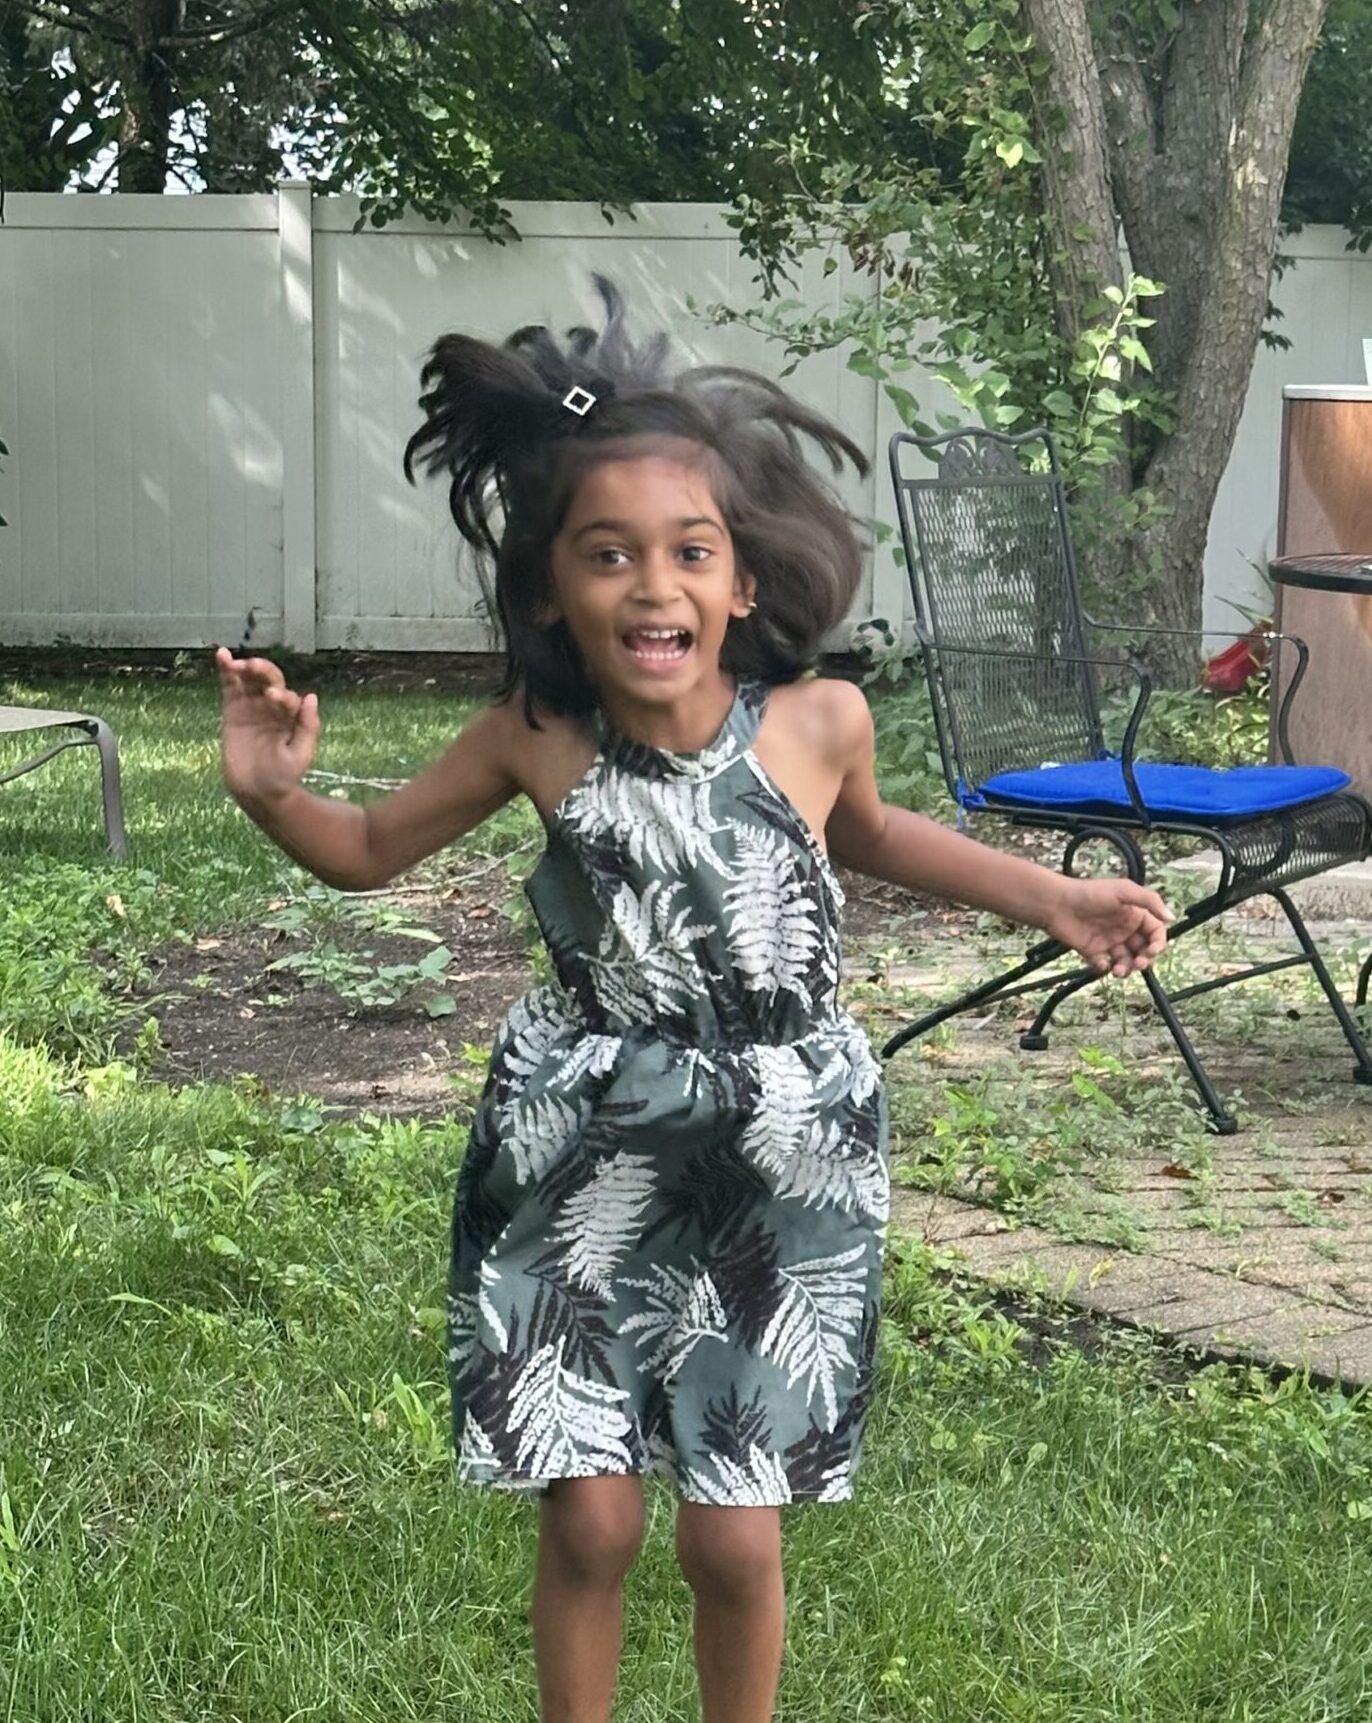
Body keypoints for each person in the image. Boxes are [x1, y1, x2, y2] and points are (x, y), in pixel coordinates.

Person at [216, 279, 1169, 1723]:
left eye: (688, 553)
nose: (652, 586)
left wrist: (1057, 896)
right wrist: (275, 794)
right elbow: (362, 852)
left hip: (784, 1148)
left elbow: (881, 838)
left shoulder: (816, 721)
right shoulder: (535, 738)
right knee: (591, 1518)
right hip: (584, 1143)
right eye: (609, 555)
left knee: (735, 1531)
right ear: (550, 587)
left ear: (740, 582)